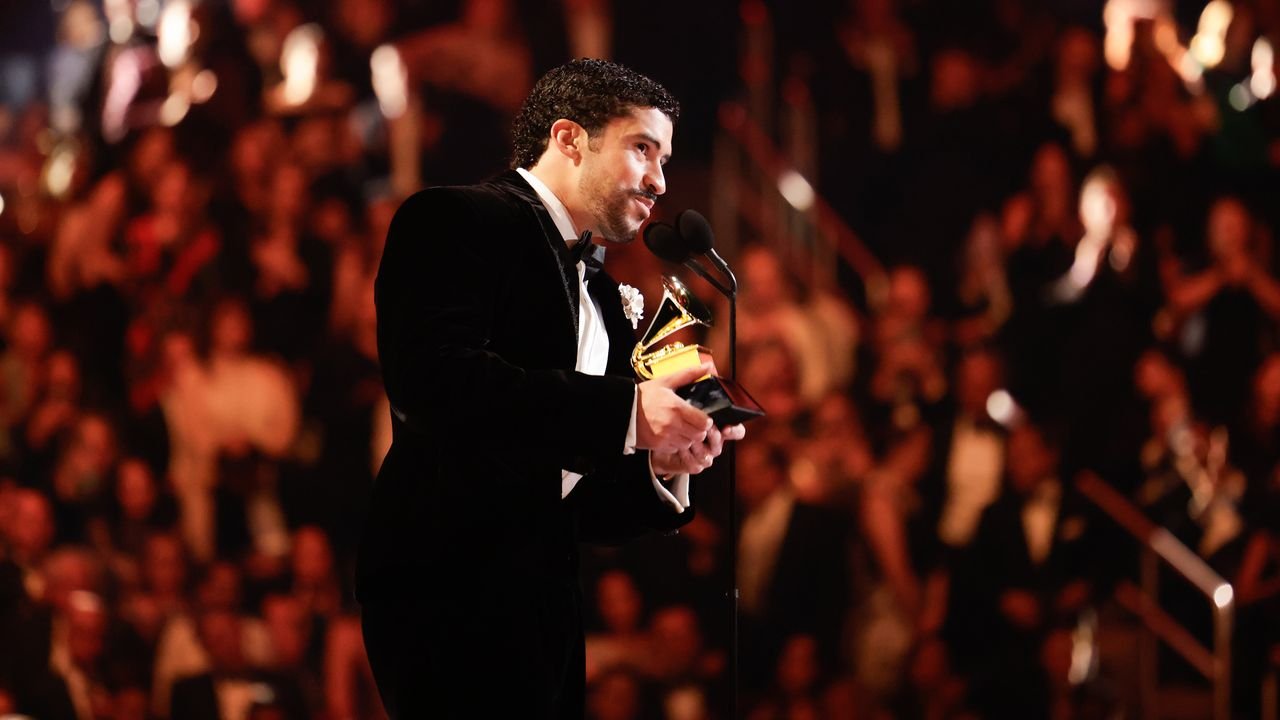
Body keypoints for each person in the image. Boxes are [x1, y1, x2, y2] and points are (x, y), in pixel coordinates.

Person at [356, 58, 745, 718]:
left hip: (546, 609)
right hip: (447, 587)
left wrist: (659, 463)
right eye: (642, 148)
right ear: (569, 138)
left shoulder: (606, 293)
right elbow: (432, 382)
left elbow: (573, 497)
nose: (659, 180)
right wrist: (626, 411)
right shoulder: (452, 217)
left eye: (665, 158)